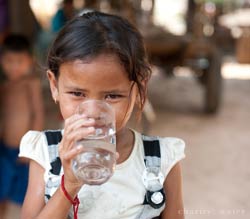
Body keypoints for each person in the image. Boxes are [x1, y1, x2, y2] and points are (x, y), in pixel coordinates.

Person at [19, 12, 185, 219]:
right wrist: (69, 185)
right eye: (78, 94)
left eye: (112, 96)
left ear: (139, 88)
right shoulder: (46, 153)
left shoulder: (161, 160)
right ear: (54, 86)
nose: (94, 112)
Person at [0, 34, 44, 217]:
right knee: (2, 190)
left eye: (20, 61)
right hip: (4, 149)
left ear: (29, 61)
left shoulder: (30, 84)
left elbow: (38, 113)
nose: (14, 66)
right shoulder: (4, 85)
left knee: (24, 194)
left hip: (24, 151)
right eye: (9, 61)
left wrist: (32, 146)